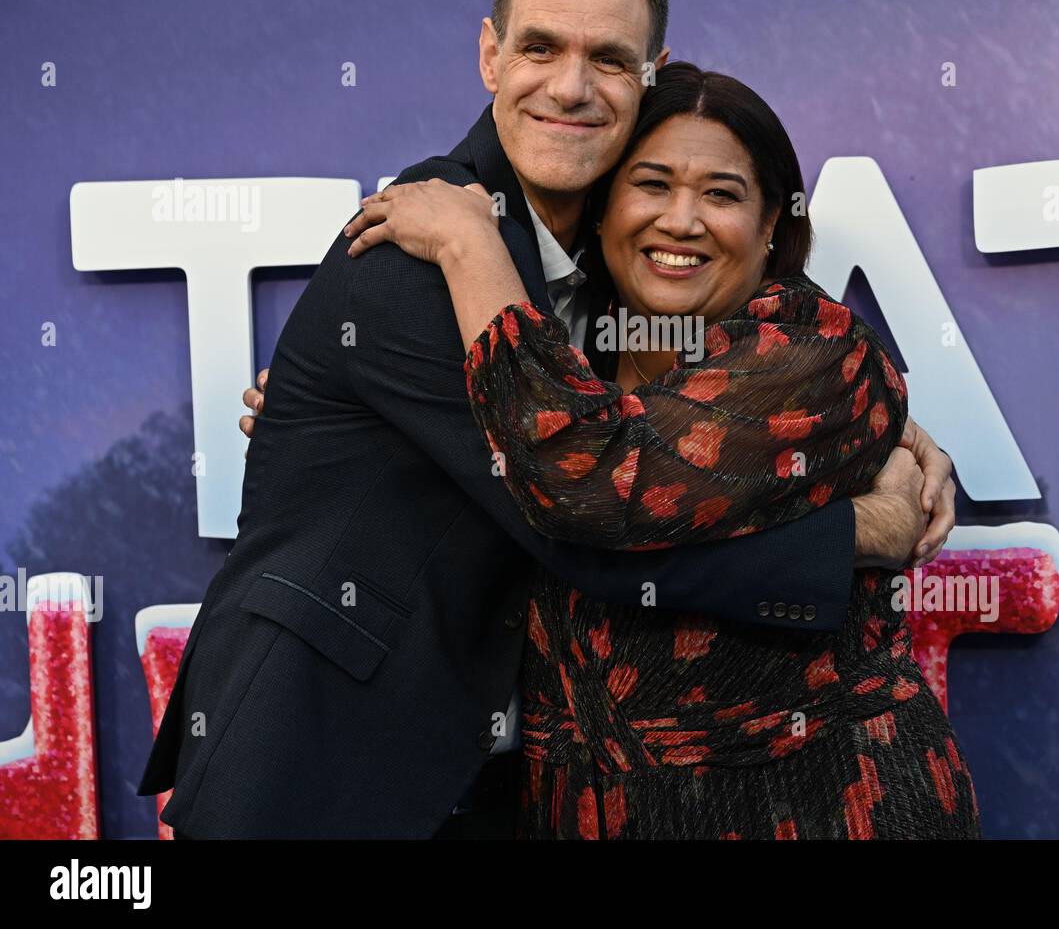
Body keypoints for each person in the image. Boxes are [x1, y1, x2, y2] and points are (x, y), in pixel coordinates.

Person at [142, 0, 956, 839]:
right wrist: (863, 526)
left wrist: (883, 425)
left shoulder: (605, 265)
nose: (568, 86)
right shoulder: (420, 248)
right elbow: (588, 518)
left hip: (502, 780)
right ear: (490, 56)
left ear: (649, 75)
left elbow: (714, 403)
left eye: (608, 57)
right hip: (323, 769)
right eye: (539, 47)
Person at [336, 61, 980, 839]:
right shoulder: (560, 347)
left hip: (821, 804)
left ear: (773, 221)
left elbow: (593, 481)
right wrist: (368, 412)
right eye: (651, 184)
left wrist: (471, 245)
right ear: (603, 209)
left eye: (722, 193)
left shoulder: (809, 344)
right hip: (581, 809)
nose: (682, 220)